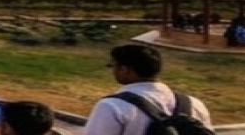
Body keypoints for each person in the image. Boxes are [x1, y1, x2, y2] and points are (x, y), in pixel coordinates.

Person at [82, 44, 211, 135]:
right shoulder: (194, 104)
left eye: (114, 66)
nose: (113, 71)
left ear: (125, 69)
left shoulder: (112, 106)